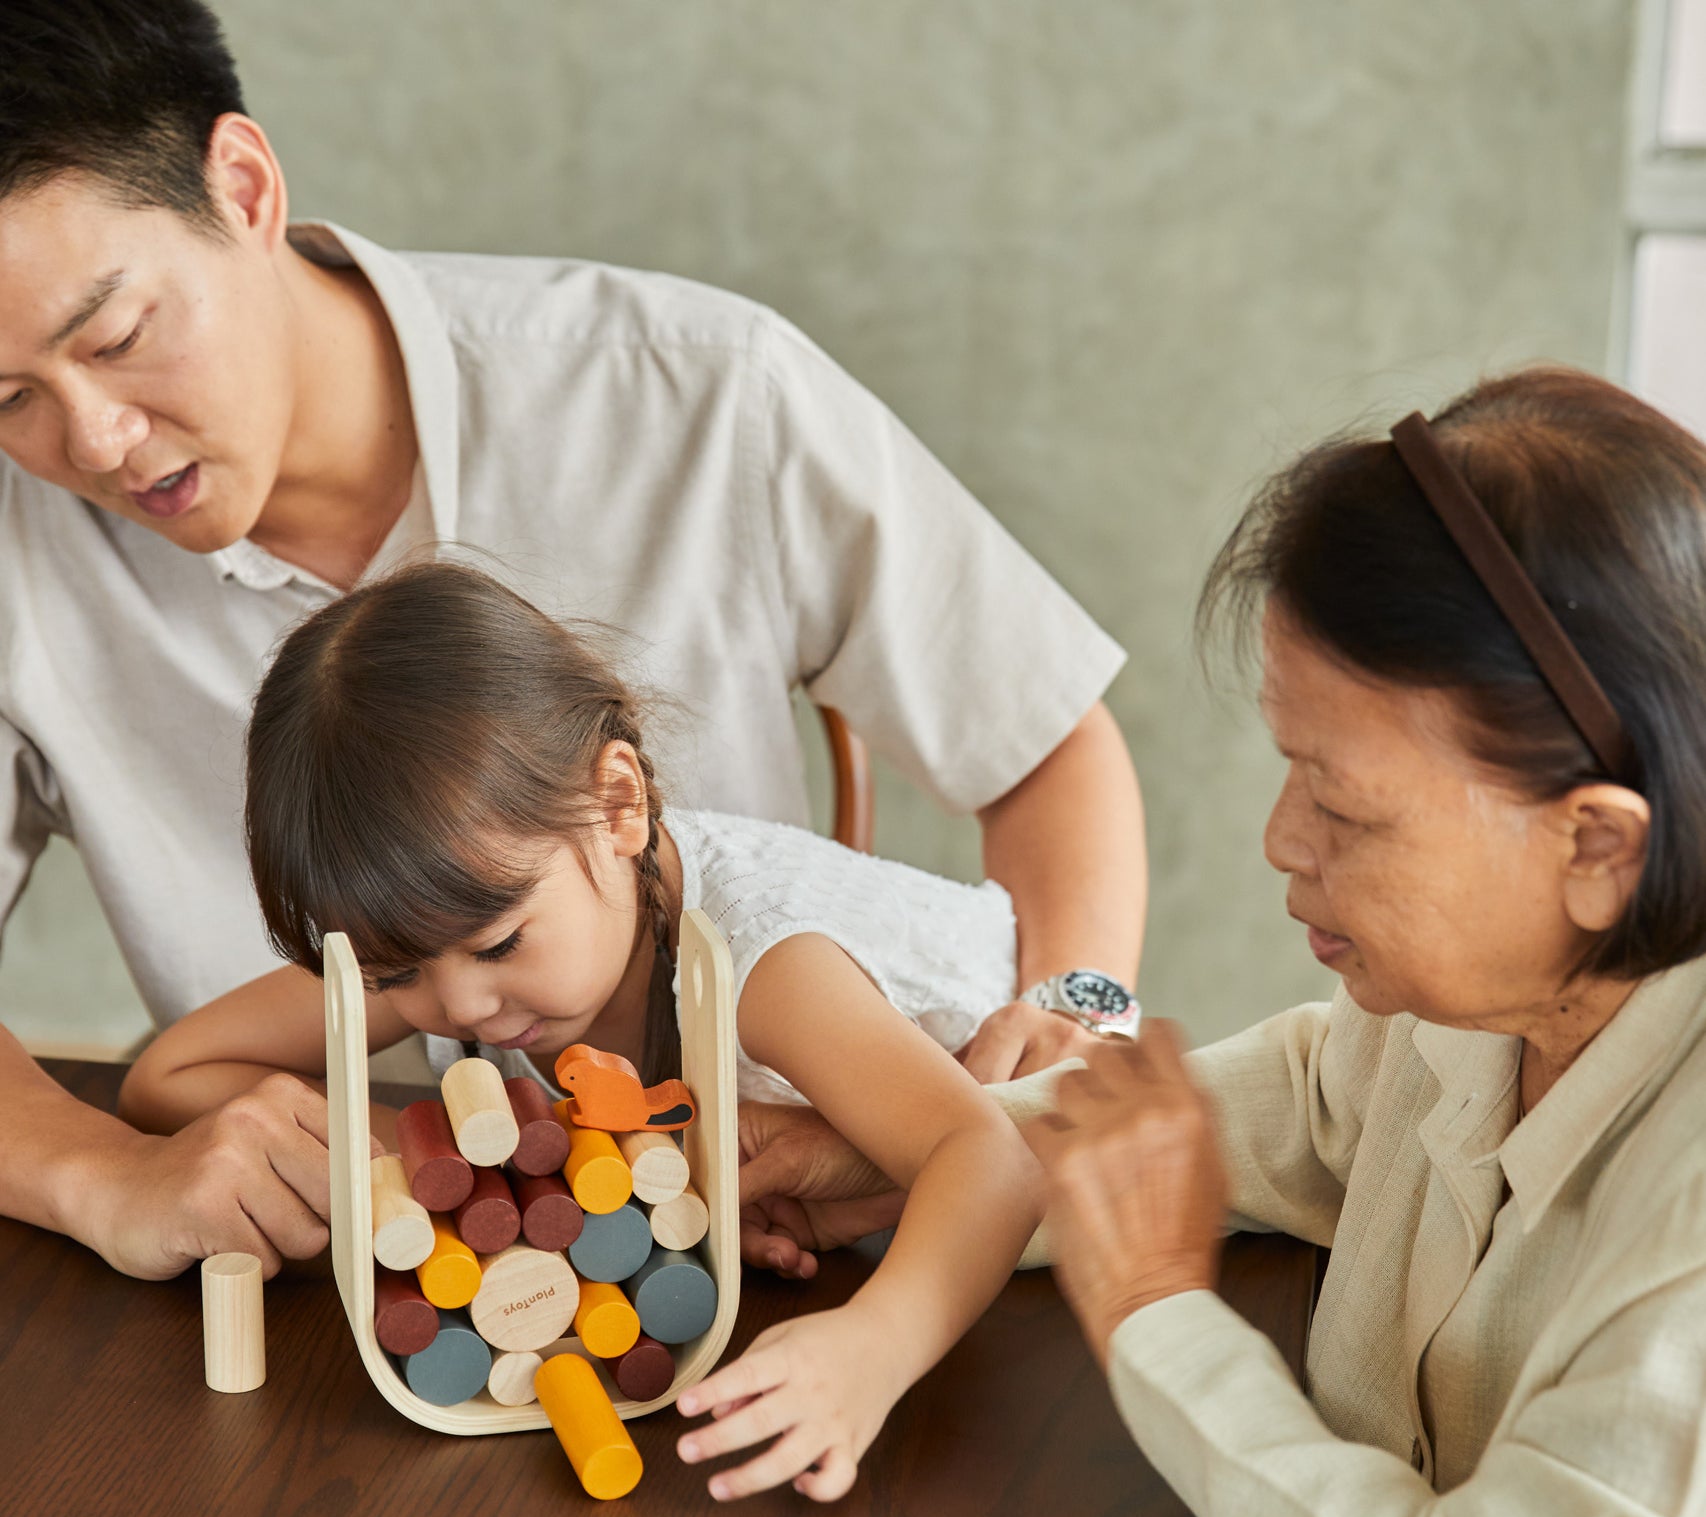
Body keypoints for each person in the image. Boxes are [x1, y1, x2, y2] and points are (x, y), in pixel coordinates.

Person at [0, 1, 1144, 1279]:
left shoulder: (695, 387)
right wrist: (102, 1173)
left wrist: (1070, 1018)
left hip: (815, 1240)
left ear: (246, 187)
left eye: (117, 338)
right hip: (433, 1282)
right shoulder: (17, 541)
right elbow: (178, 1088)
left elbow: (1040, 745)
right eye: (7, 399)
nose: (90, 443)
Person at [746, 368, 1706, 1517]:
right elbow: (1288, 1103)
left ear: (1594, 844)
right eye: (1287, 772)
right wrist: (942, 1146)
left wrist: (1156, 1319)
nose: (1279, 844)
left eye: (1343, 804)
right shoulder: (1476, 1005)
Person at [119, 560, 1047, 1500]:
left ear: (617, 807)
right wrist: (380, 1182)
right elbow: (176, 1071)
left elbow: (992, 1159)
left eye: (500, 944)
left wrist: (873, 1349)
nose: (460, 1009)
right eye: (397, 974)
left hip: (1053, 1183)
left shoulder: (766, 967)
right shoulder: (450, 925)